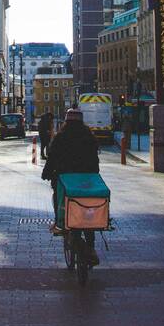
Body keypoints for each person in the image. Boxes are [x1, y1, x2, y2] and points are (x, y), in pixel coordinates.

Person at [42, 111, 102, 263]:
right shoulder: (89, 138)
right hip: (86, 180)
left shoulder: (60, 138)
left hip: (64, 178)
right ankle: (91, 247)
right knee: (87, 210)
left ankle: (60, 221)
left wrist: (46, 172)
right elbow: (95, 161)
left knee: (59, 195)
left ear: (66, 122)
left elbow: (52, 157)